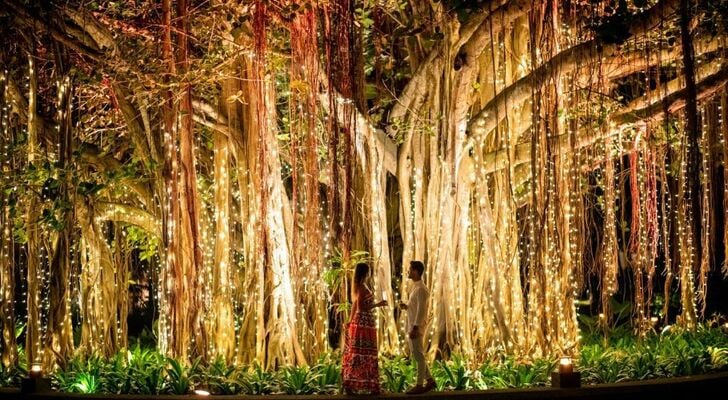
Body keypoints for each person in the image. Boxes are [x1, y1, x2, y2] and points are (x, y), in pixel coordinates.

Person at [342, 262, 388, 395]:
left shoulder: (360, 286)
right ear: (365, 273)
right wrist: (378, 304)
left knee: (362, 353)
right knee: (363, 353)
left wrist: (350, 320)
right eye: (368, 271)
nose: (369, 273)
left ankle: (360, 384)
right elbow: (361, 308)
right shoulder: (361, 287)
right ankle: (355, 384)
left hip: (363, 323)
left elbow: (354, 305)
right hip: (363, 323)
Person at [400, 260, 435, 394]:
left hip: (416, 327)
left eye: (409, 269)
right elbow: (416, 307)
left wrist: (415, 328)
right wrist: (407, 307)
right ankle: (430, 380)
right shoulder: (415, 287)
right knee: (417, 354)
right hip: (412, 325)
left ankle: (420, 384)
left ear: (415, 271)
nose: (408, 272)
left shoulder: (421, 289)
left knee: (419, 356)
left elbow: (421, 311)